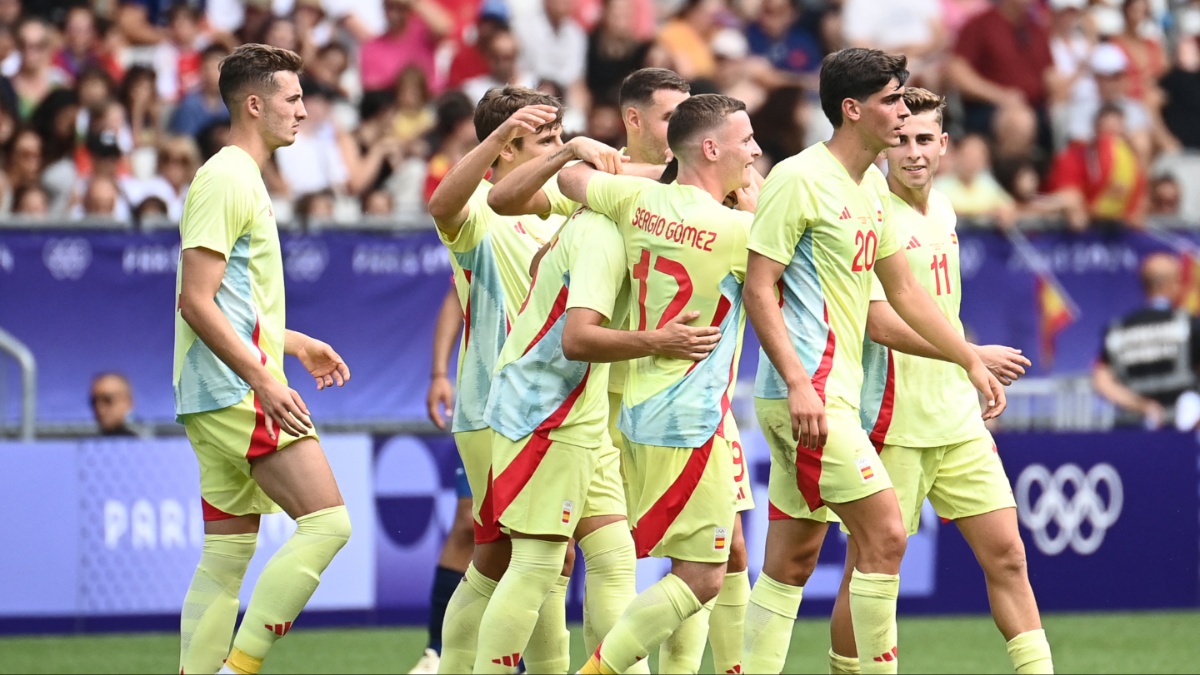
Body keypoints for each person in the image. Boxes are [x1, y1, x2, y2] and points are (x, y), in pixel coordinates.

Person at [740, 48, 1004, 675]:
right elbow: (759, 287)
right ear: (853, 109)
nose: (901, 108)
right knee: (886, 535)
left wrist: (967, 358)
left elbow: (906, 291)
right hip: (807, 397)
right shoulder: (799, 178)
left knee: (792, 560)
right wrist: (800, 383)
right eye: (890, 98)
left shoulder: (868, 190)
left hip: (827, 394)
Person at [490, 67, 757, 674]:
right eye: (668, 117)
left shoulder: (625, 194)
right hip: (616, 399)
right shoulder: (684, 208)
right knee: (550, 562)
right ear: (633, 120)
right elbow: (504, 199)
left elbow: (583, 181)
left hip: (649, 398)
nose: (676, 129)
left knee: (711, 551)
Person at [824, 86, 1054, 675]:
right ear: (882, 144)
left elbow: (938, 313)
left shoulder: (946, 208)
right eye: (900, 139)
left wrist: (964, 365)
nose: (913, 151)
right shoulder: (866, 209)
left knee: (1007, 555)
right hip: (891, 421)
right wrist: (970, 355)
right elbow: (878, 322)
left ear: (944, 144)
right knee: (871, 572)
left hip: (955, 417)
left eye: (924, 138)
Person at [558, 92, 762, 675]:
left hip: (640, 406)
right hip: (692, 417)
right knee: (701, 577)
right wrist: (753, 200)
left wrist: (617, 162)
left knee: (698, 561)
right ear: (711, 147)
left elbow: (573, 180)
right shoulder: (738, 231)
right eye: (745, 140)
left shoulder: (638, 199)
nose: (753, 151)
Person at [173, 43, 352, 675]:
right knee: (328, 524)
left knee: (225, 559)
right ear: (255, 104)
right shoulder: (227, 176)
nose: (304, 111)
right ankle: (237, 670)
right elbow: (195, 301)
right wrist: (263, 378)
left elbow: (230, 300)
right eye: (293, 98)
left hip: (215, 391)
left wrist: (293, 343)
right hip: (236, 391)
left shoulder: (239, 176)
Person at [425, 85, 583, 673]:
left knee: (546, 557)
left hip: (555, 407)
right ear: (509, 147)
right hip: (495, 408)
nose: (561, 150)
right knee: (507, 553)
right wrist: (491, 137)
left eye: (562, 137)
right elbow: (441, 207)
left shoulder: (561, 209)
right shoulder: (483, 207)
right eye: (547, 141)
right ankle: (451, 661)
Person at [408, 286, 477, 675]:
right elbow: (456, 293)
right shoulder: (488, 225)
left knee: (544, 537)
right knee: (468, 523)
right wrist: (439, 372)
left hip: (549, 399)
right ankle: (437, 651)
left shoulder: (570, 226)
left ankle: (524, 657)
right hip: (484, 398)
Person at [1093, 251, 1200, 429]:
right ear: (1173, 285)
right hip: (1184, 435)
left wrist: (1143, 407)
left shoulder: (1117, 329)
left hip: (1136, 434)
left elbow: (1101, 381)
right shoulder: (1189, 325)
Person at [90, 372, 143, 437]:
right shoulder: (87, 439)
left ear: (128, 402)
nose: (100, 409)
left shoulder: (148, 439)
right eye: (94, 402)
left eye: (107, 400)